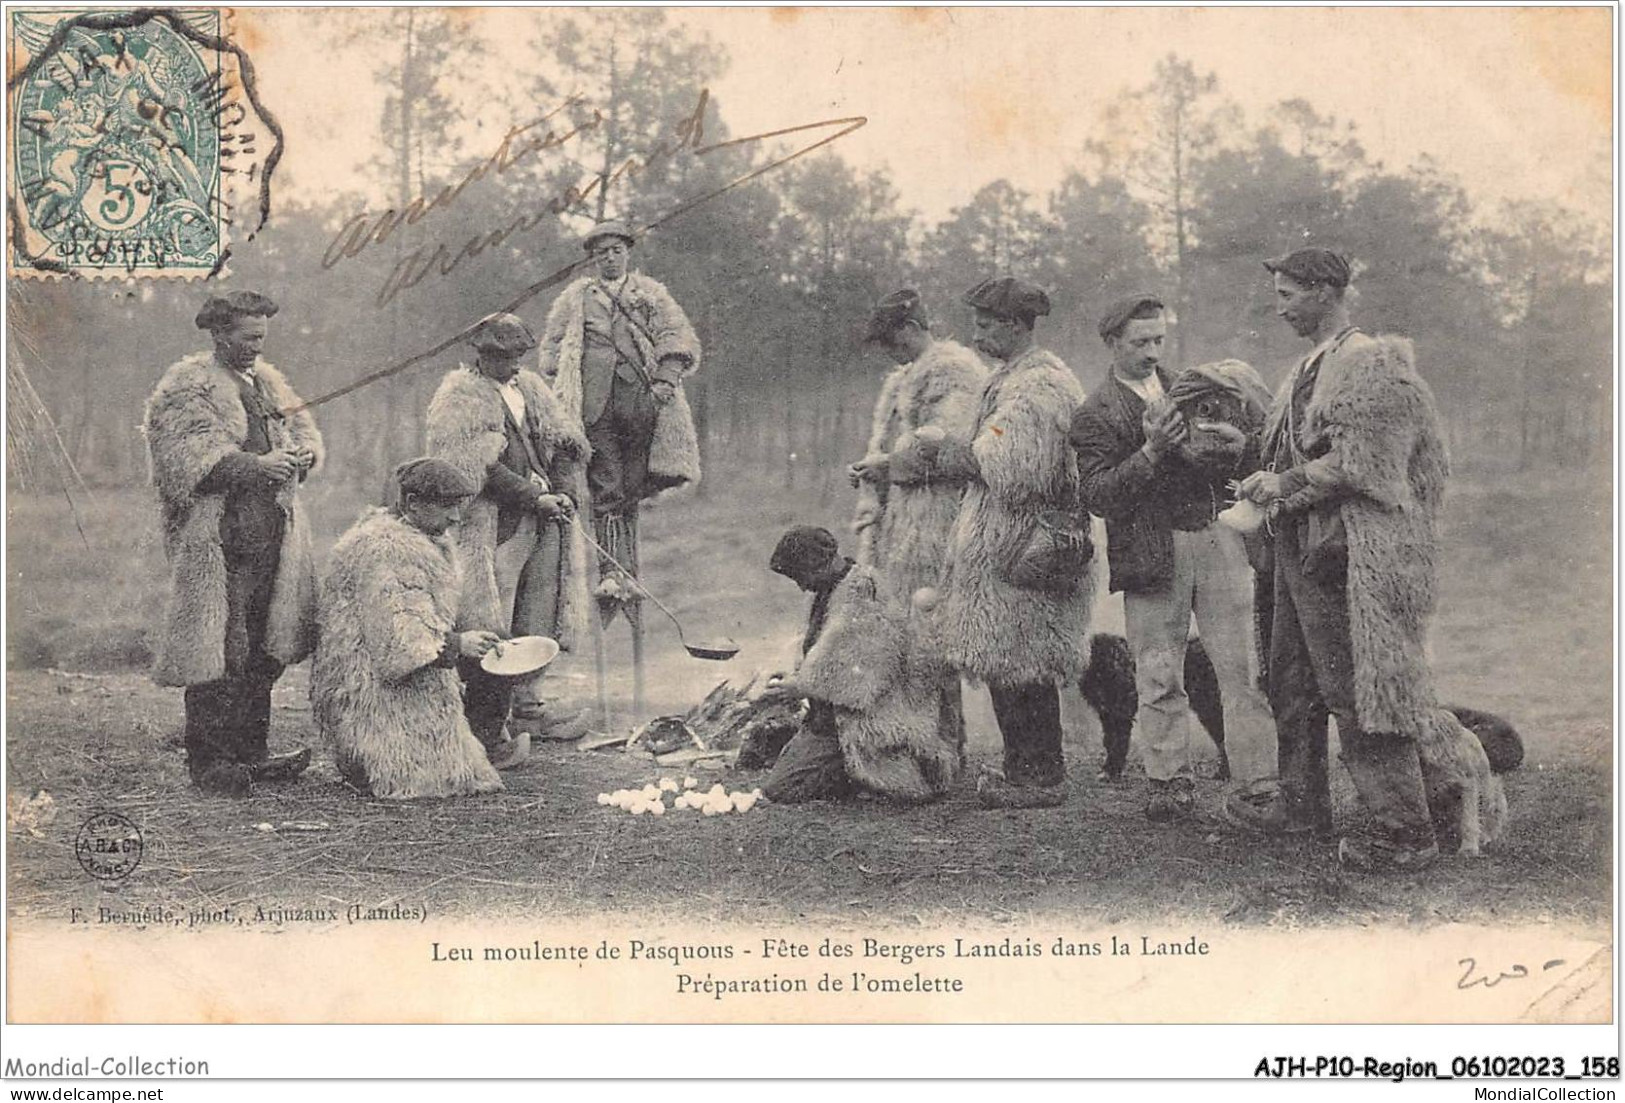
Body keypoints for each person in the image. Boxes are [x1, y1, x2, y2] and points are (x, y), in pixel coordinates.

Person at [1225, 247, 1451, 872]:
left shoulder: (1370, 364)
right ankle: (1300, 806)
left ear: (1326, 291)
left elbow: (1370, 463)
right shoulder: (1308, 365)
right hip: (1300, 548)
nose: (1280, 307)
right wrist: (1254, 467)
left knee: (1359, 686)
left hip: (1350, 554)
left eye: (1288, 294)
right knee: (1290, 680)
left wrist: (1286, 482)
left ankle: (1405, 832)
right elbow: (1295, 453)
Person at [1071, 295, 1277, 821]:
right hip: (1150, 551)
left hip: (1218, 538)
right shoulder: (1095, 412)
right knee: (1159, 672)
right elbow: (1097, 495)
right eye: (1139, 342)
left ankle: (1258, 784)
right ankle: (1168, 782)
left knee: (1242, 669)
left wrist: (1238, 445)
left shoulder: (1196, 387)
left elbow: (1248, 453)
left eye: (1158, 340)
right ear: (1113, 343)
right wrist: (1151, 452)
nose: (1151, 351)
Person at [143, 291, 321, 795]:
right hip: (220, 539)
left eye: (262, 337)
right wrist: (256, 465)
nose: (256, 347)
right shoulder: (188, 387)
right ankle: (211, 763)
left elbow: (300, 432)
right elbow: (183, 462)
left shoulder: (267, 382)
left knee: (266, 646)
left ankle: (251, 753)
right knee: (221, 647)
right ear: (219, 335)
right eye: (247, 338)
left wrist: (301, 456)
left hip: (272, 534)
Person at [936, 276, 1095, 809]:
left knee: (1023, 656)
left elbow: (1009, 461)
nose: (977, 334)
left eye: (985, 324)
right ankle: (1024, 768)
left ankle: (1039, 776)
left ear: (1014, 325)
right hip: (1011, 541)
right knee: (1010, 655)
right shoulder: (1012, 377)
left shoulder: (1038, 386)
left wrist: (953, 454)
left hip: (1026, 542)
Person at [425, 313, 592, 764]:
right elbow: (471, 467)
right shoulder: (459, 396)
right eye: (503, 357)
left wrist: (561, 490)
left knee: (539, 613)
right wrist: (529, 496)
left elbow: (561, 444)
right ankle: (484, 731)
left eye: (519, 356)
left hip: (544, 517)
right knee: (493, 617)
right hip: (495, 523)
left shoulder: (531, 389)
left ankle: (528, 710)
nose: (513, 365)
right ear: (481, 355)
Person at [312, 459, 505, 800]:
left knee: (462, 775)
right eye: (446, 507)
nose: (455, 518)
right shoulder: (386, 549)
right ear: (413, 503)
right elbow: (398, 633)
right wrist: (458, 644)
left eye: (458, 507)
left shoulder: (419, 538)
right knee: (419, 779)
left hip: (405, 677)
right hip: (375, 692)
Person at [850, 289, 987, 761]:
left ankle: (949, 741)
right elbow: (893, 445)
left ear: (912, 329)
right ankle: (922, 738)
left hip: (940, 521)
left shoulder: (955, 372)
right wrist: (875, 473)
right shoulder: (902, 380)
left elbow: (951, 448)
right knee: (907, 632)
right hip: (901, 526)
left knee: (933, 632)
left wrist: (887, 465)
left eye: (893, 342)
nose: (891, 353)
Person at [537, 219, 701, 609]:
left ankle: (630, 573)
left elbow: (677, 337)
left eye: (616, 251)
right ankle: (611, 574)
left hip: (642, 404)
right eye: (601, 253)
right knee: (605, 485)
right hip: (594, 408)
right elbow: (551, 348)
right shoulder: (575, 298)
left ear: (627, 253)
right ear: (592, 259)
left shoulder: (651, 293)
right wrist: (568, 377)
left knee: (631, 486)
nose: (609, 258)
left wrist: (665, 379)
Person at [761, 527, 960, 804]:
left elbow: (864, 680)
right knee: (778, 787)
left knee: (785, 787)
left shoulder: (864, 596)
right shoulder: (827, 591)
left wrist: (801, 686)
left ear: (821, 564)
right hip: (827, 719)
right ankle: (842, 768)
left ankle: (862, 772)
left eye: (802, 576)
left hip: (863, 721)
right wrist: (797, 677)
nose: (802, 586)